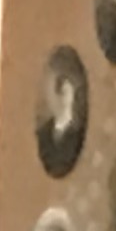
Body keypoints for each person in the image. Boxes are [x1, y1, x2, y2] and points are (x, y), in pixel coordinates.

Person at [34, 44, 88, 176]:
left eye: (67, 92)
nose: (64, 98)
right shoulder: (43, 133)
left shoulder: (78, 135)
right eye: (61, 92)